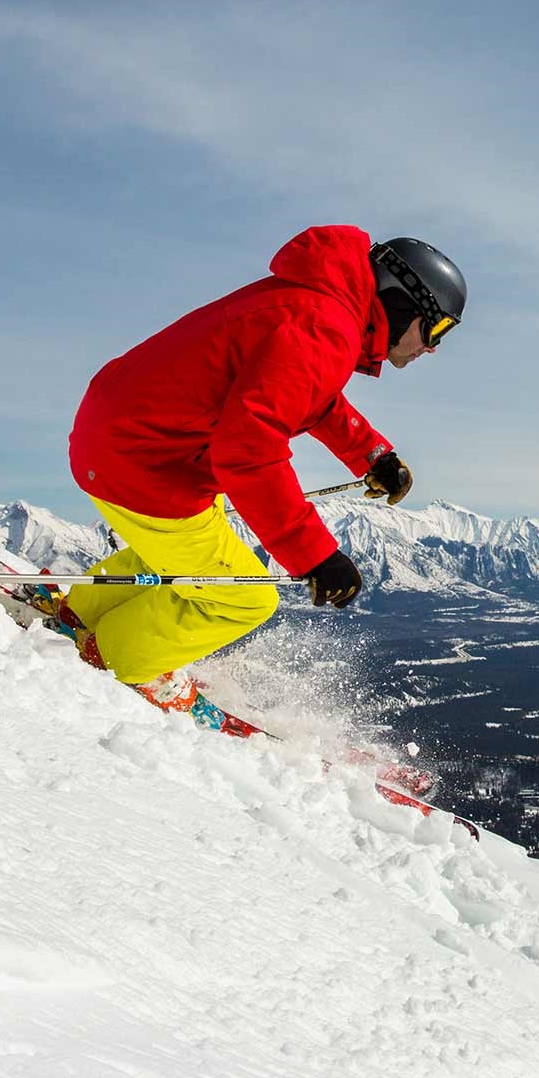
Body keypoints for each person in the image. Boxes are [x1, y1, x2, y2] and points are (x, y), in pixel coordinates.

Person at [53, 225, 466, 718]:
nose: (432, 348)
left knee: (196, 551)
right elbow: (249, 449)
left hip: (127, 439)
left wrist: (373, 455)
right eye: (436, 329)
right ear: (402, 303)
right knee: (243, 599)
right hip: (144, 462)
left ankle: (78, 613)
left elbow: (307, 395)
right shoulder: (324, 326)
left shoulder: (320, 306)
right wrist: (313, 555)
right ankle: (110, 657)